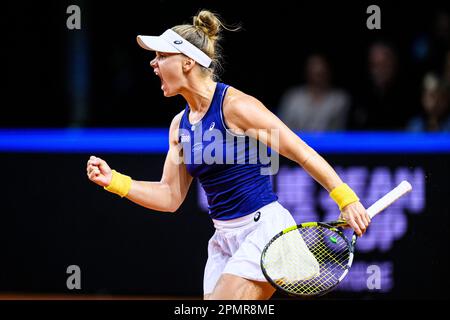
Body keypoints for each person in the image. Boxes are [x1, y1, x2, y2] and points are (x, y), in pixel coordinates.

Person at [86, 10, 370, 300]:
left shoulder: (236, 106)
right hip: (224, 240)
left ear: (187, 62)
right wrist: (115, 181)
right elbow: (170, 196)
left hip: (263, 232)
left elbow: (301, 152)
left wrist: (346, 198)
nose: (153, 62)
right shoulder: (179, 126)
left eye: (161, 55)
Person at [277, 53, 350, 131]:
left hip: (328, 142)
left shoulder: (339, 99)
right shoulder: (293, 97)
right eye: (314, 72)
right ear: (307, 72)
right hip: (294, 141)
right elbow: (282, 128)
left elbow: (338, 130)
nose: (318, 77)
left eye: (321, 73)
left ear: (328, 72)